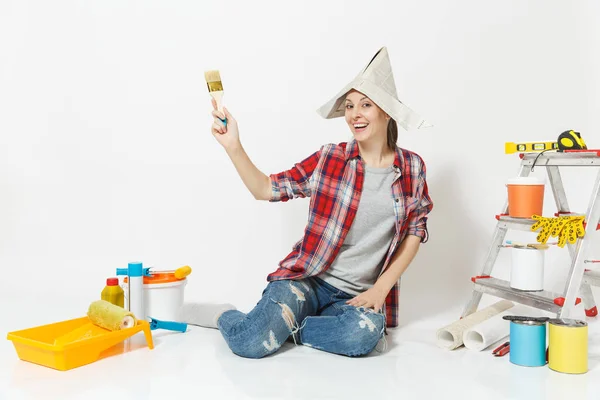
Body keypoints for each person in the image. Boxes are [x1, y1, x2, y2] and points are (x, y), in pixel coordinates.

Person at [178, 47, 433, 358]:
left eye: (366, 104)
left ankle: (287, 327)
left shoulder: (412, 168)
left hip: (355, 297)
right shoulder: (331, 158)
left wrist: (381, 288)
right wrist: (234, 146)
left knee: (361, 336)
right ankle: (225, 316)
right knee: (249, 343)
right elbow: (266, 188)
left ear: (386, 112)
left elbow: (414, 232)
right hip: (308, 282)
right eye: (349, 106)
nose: (355, 114)